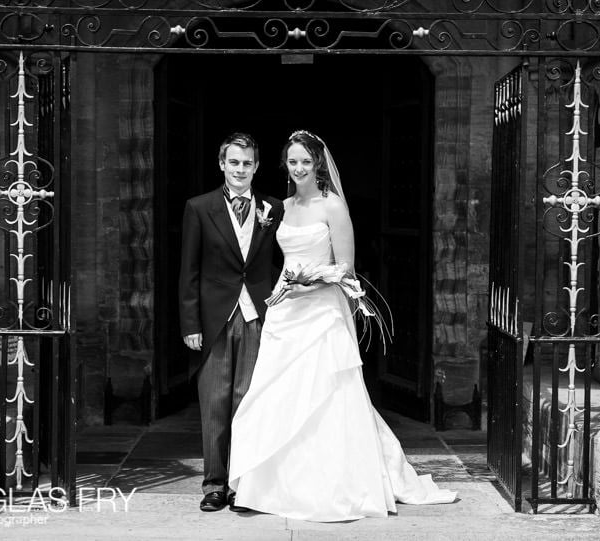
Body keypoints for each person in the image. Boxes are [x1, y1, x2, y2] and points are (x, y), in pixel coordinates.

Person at [228, 130, 457, 521]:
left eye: (306, 161)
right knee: (277, 393)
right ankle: (270, 485)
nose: (299, 168)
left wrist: (308, 282)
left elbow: (345, 268)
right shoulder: (280, 207)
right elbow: (276, 261)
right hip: (286, 314)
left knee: (326, 393)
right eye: (293, 161)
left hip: (321, 312)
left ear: (318, 163)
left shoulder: (332, 206)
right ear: (285, 164)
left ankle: (332, 484)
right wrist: (286, 289)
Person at [178, 132, 284, 513]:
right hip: (213, 319)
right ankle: (214, 484)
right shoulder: (199, 207)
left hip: (258, 316)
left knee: (248, 402)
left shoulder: (273, 207)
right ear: (222, 164)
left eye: (247, 163)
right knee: (215, 403)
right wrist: (190, 324)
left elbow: (284, 261)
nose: (240, 169)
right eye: (233, 162)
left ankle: (243, 483)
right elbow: (188, 271)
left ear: (257, 166)